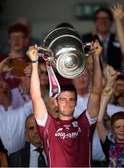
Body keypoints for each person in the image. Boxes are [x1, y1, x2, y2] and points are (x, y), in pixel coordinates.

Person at [26, 38, 102, 167]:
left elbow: (96, 92)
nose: (67, 103)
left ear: (77, 102)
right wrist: (34, 62)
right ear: (56, 102)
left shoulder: (85, 123)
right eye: (63, 99)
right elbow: (36, 97)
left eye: (71, 99)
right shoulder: (48, 125)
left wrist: (96, 58)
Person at [97, 67, 124, 167]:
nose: (122, 130)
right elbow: (99, 122)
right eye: (118, 127)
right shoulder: (108, 146)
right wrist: (106, 95)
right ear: (112, 129)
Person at [0, 79, 32, 167]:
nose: (4, 88)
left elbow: (38, 98)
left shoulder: (22, 111)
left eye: (7, 87)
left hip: (20, 160)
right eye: (1, 87)